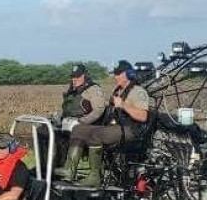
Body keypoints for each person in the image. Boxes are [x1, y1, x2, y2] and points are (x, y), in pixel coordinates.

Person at [56, 60, 149, 188]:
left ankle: (95, 177)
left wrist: (123, 105)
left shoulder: (138, 91)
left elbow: (143, 116)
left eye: (118, 74)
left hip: (130, 130)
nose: (115, 77)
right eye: (114, 74)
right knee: (78, 129)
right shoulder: (118, 91)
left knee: (96, 135)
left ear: (128, 74)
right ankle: (69, 170)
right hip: (115, 127)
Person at [37, 63, 106, 174]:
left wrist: (81, 122)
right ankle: (44, 167)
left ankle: (62, 169)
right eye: (73, 77)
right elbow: (67, 111)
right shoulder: (72, 90)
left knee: (63, 138)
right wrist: (57, 118)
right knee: (42, 131)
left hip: (85, 128)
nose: (75, 79)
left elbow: (98, 111)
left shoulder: (93, 90)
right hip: (66, 125)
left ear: (85, 75)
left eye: (77, 77)